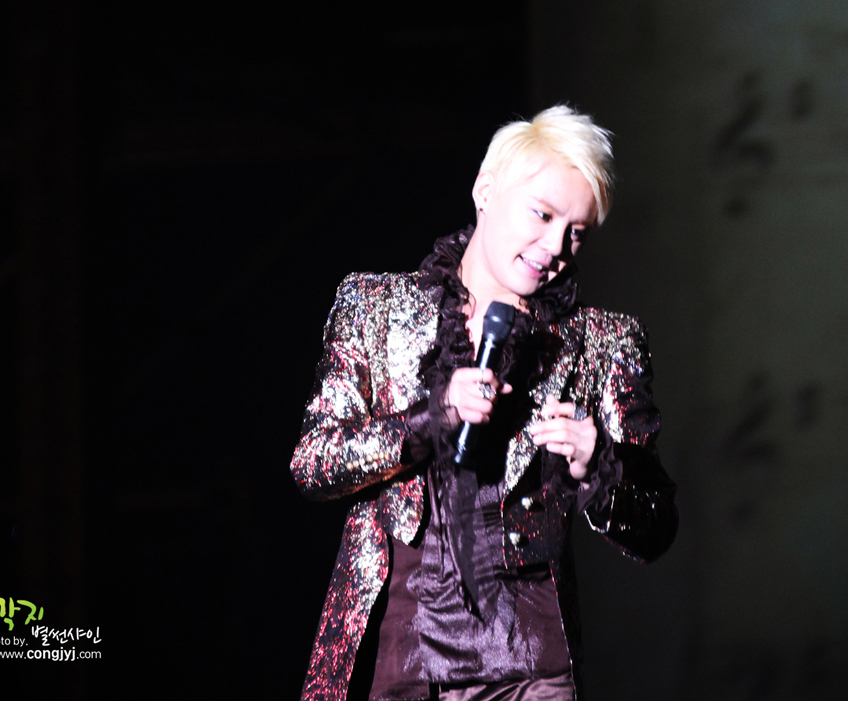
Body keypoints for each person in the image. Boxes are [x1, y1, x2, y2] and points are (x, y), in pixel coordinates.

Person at [290, 105, 678, 701]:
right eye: (543, 214)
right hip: (399, 656)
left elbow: (654, 528)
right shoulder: (374, 309)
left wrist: (598, 463)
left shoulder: (602, 342)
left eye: (576, 231)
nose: (556, 246)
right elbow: (314, 464)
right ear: (485, 191)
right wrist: (433, 417)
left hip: (527, 666)